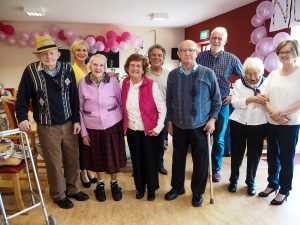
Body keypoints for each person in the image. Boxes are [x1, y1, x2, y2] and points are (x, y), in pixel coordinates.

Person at [15, 35, 89, 209]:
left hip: (69, 123)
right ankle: (58, 194)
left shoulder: (67, 69)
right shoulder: (31, 71)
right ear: (38, 56)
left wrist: (77, 120)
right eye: (44, 54)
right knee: (54, 162)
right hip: (46, 126)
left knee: (72, 159)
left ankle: (73, 189)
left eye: (51, 53)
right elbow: (22, 99)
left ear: (58, 53)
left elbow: (74, 98)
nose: (48, 57)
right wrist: (23, 118)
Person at [165, 40, 221, 207]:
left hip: (201, 126)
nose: (187, 53)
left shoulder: (208, 73)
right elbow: (169, 100)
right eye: (184, 50)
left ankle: (197, 192)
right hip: (179, 125)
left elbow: (217, 101)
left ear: (196, 53)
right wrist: (169, 120)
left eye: (191, 50)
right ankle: (177, 187)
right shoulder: (173, 75)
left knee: (201, 161)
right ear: (178, 54)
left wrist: (212, 120)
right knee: (178, 159)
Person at [196, 27, 243, 182]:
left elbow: (245, 80)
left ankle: (215, 169)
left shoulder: (231, 59)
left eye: (219, 38)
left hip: (222, 104)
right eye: (214, 37)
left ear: (225, 41)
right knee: (201, 137)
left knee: (219, 139)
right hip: (202, 104)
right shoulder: (200, 57)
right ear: (210, 39)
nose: (216, 41)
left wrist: (233, 95)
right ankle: (202, 166)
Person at [79, 54, 126, 202]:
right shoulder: (82, 83)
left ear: (105, 67)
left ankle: (114, 183)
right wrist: (83, 132)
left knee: (113, 157)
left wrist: (123, 126)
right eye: (95, 65)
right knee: (97, 158)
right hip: (92, 127)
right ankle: (100, 184)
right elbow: (79, 109)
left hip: (113, 125)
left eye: (101, 65)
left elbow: (121, 102)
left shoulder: (112, 81)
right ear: (89, 66)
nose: (98, 68)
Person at [258, 40, 300, 205]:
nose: (284, 54)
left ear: (295, 53)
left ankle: (284, 189)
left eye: (288, 51)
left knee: (286, 158)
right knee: (272, 155)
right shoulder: (273, 74)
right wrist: (272, 113)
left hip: (290, 124)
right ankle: (272, 183)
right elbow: (263, 96)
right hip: (272, 122)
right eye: (281, 52)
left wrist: (282, 113)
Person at [121, 53, 166, 201]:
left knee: (150, 161)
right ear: (127, 68)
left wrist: (158, 128)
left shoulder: (152, 85)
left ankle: (152, 189)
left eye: (138, 66)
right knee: (137, 161)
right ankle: (140, 188)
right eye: (132, 65)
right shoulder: (125, 84)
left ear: (143, 69)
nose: (135, 68)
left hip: (150, 131)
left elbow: (162, 109)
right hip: (132, 131)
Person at [228, 57, 267, 196]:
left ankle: (251, 182)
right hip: (238, 122)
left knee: (254, 155)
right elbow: (235, 103)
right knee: (237, 154)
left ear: (261, 72)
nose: (252, 77)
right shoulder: (239, 83)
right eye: (249, 73)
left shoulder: (267, 84)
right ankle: (233, 180)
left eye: (255, 73)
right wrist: (251, 99)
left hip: (258, 124)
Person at [71, 39, 97, 188]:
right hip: (78, 110)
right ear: (73, 52)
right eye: (78, 50)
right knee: (81, 143)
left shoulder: (90, 68)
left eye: (84, 50)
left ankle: (89, 168)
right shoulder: (71, 69)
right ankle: (83, 171)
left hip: (91, 113)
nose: (81, 53)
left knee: (89, 143)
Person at [146, 44, 170, 175]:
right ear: (149, 57)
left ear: (163, 58)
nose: (157, 57)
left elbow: (172, 96)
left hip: (163, 115)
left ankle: (159, 164)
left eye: (159, 55)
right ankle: (147, 165)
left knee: (160, 142)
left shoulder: (169, 74)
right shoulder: (143, 73)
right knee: (147, 142)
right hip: (147, 115)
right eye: (154, 55)